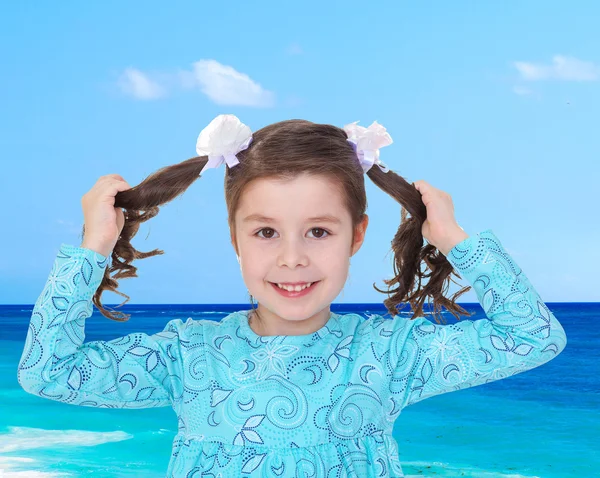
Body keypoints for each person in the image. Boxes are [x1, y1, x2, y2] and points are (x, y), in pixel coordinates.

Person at [17, 114, 568, 477]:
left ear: (356, 235)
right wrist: (94, 246)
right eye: (265, 232)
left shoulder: (389, 353)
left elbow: (532, 337)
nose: (292, 258)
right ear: (235, 239)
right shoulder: (188, 354)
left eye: (319, 231)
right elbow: (48, 371)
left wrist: (452, 238)